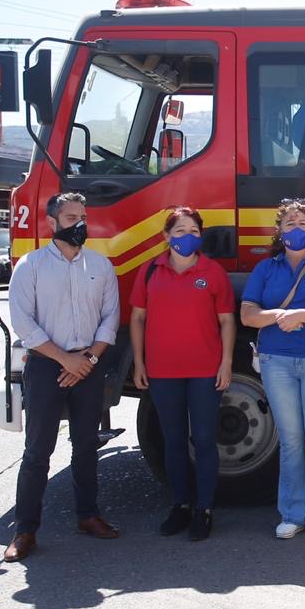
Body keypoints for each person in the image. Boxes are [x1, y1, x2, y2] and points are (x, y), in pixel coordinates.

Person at [3, 192, 120, 561]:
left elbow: (109, 319)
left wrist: (85, 359)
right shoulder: (31, 266)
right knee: (38, 451)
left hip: (88, 364)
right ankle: (25, 531)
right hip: (44, 366)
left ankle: (88, 516)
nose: (79, 224)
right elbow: (23, 321)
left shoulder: (101, 266)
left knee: (86, 445)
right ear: (52, 223)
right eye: (71, 218)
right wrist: (63, 359)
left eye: (82, 216)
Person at [241, 198, 305, 539]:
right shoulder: (265, 269)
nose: (297, 229)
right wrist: (281, 317)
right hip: (277, 362)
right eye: (290, 224)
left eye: (303, 224)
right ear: (279, 231)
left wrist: (298, 315)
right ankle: (293, 514)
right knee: (289, 441)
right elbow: (247, 315)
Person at [130, 206, 235, 541]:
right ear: (165, 236)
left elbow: (227, 321)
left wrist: (227, 362)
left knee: (204, 440)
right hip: (162, 372)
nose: (186, 237)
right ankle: (180, 506)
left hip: (205, 371)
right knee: (173, 442)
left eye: (193, 231)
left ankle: (203, 510)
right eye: (179, 231)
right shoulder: (149, 271)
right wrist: (139, 362)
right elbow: (137, 319)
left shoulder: (213, 272)